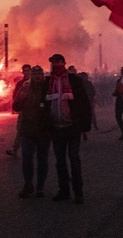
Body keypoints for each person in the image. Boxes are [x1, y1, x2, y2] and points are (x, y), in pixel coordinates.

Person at [45, 54, 92, 204]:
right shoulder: (48, 82)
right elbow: (44, 104)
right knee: (60, 161)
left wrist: (85, 125)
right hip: (56, 128)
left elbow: (84, 103)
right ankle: (64, 190)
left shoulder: (74, 81)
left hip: (72, 127)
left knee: (73, 158)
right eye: (53, 62)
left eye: (57, 62)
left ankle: (78, 192)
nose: (55, 64)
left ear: (64, 63)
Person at [12, 65, 51, 198]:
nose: (37, 76)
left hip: (43, 130)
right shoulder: (25, 88)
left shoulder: (48, 88)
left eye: (39, 74)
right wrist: (21, 98)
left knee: (42, 159)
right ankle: (28, 184)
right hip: (27, 129)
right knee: (27, 159)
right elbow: (16, 106)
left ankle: (40, 186)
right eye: (35, 74)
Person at [6, 64, 31, 158]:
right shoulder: (20, 83)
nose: (27, 72)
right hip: (23, 111)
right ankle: (15, 149)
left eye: (28, 70)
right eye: (25, 70)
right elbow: (15, 96)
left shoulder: (36, 82)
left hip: (35, 111)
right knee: (20, 129)